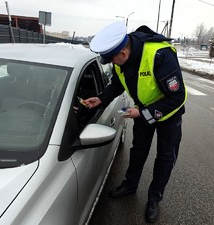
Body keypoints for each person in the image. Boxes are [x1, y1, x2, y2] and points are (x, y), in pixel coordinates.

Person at [84, 21, 187, 223]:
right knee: (138, 149)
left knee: (165, 157)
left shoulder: (160, 55)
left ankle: (154, 198)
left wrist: (144, 114)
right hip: (142, 110)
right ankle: (130, 185)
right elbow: (117, 83)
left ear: (123, 53)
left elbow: (177, 96)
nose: (112, 64)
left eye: (113, 59)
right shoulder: (119, 59)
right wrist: (102, 98)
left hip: (168, 114)